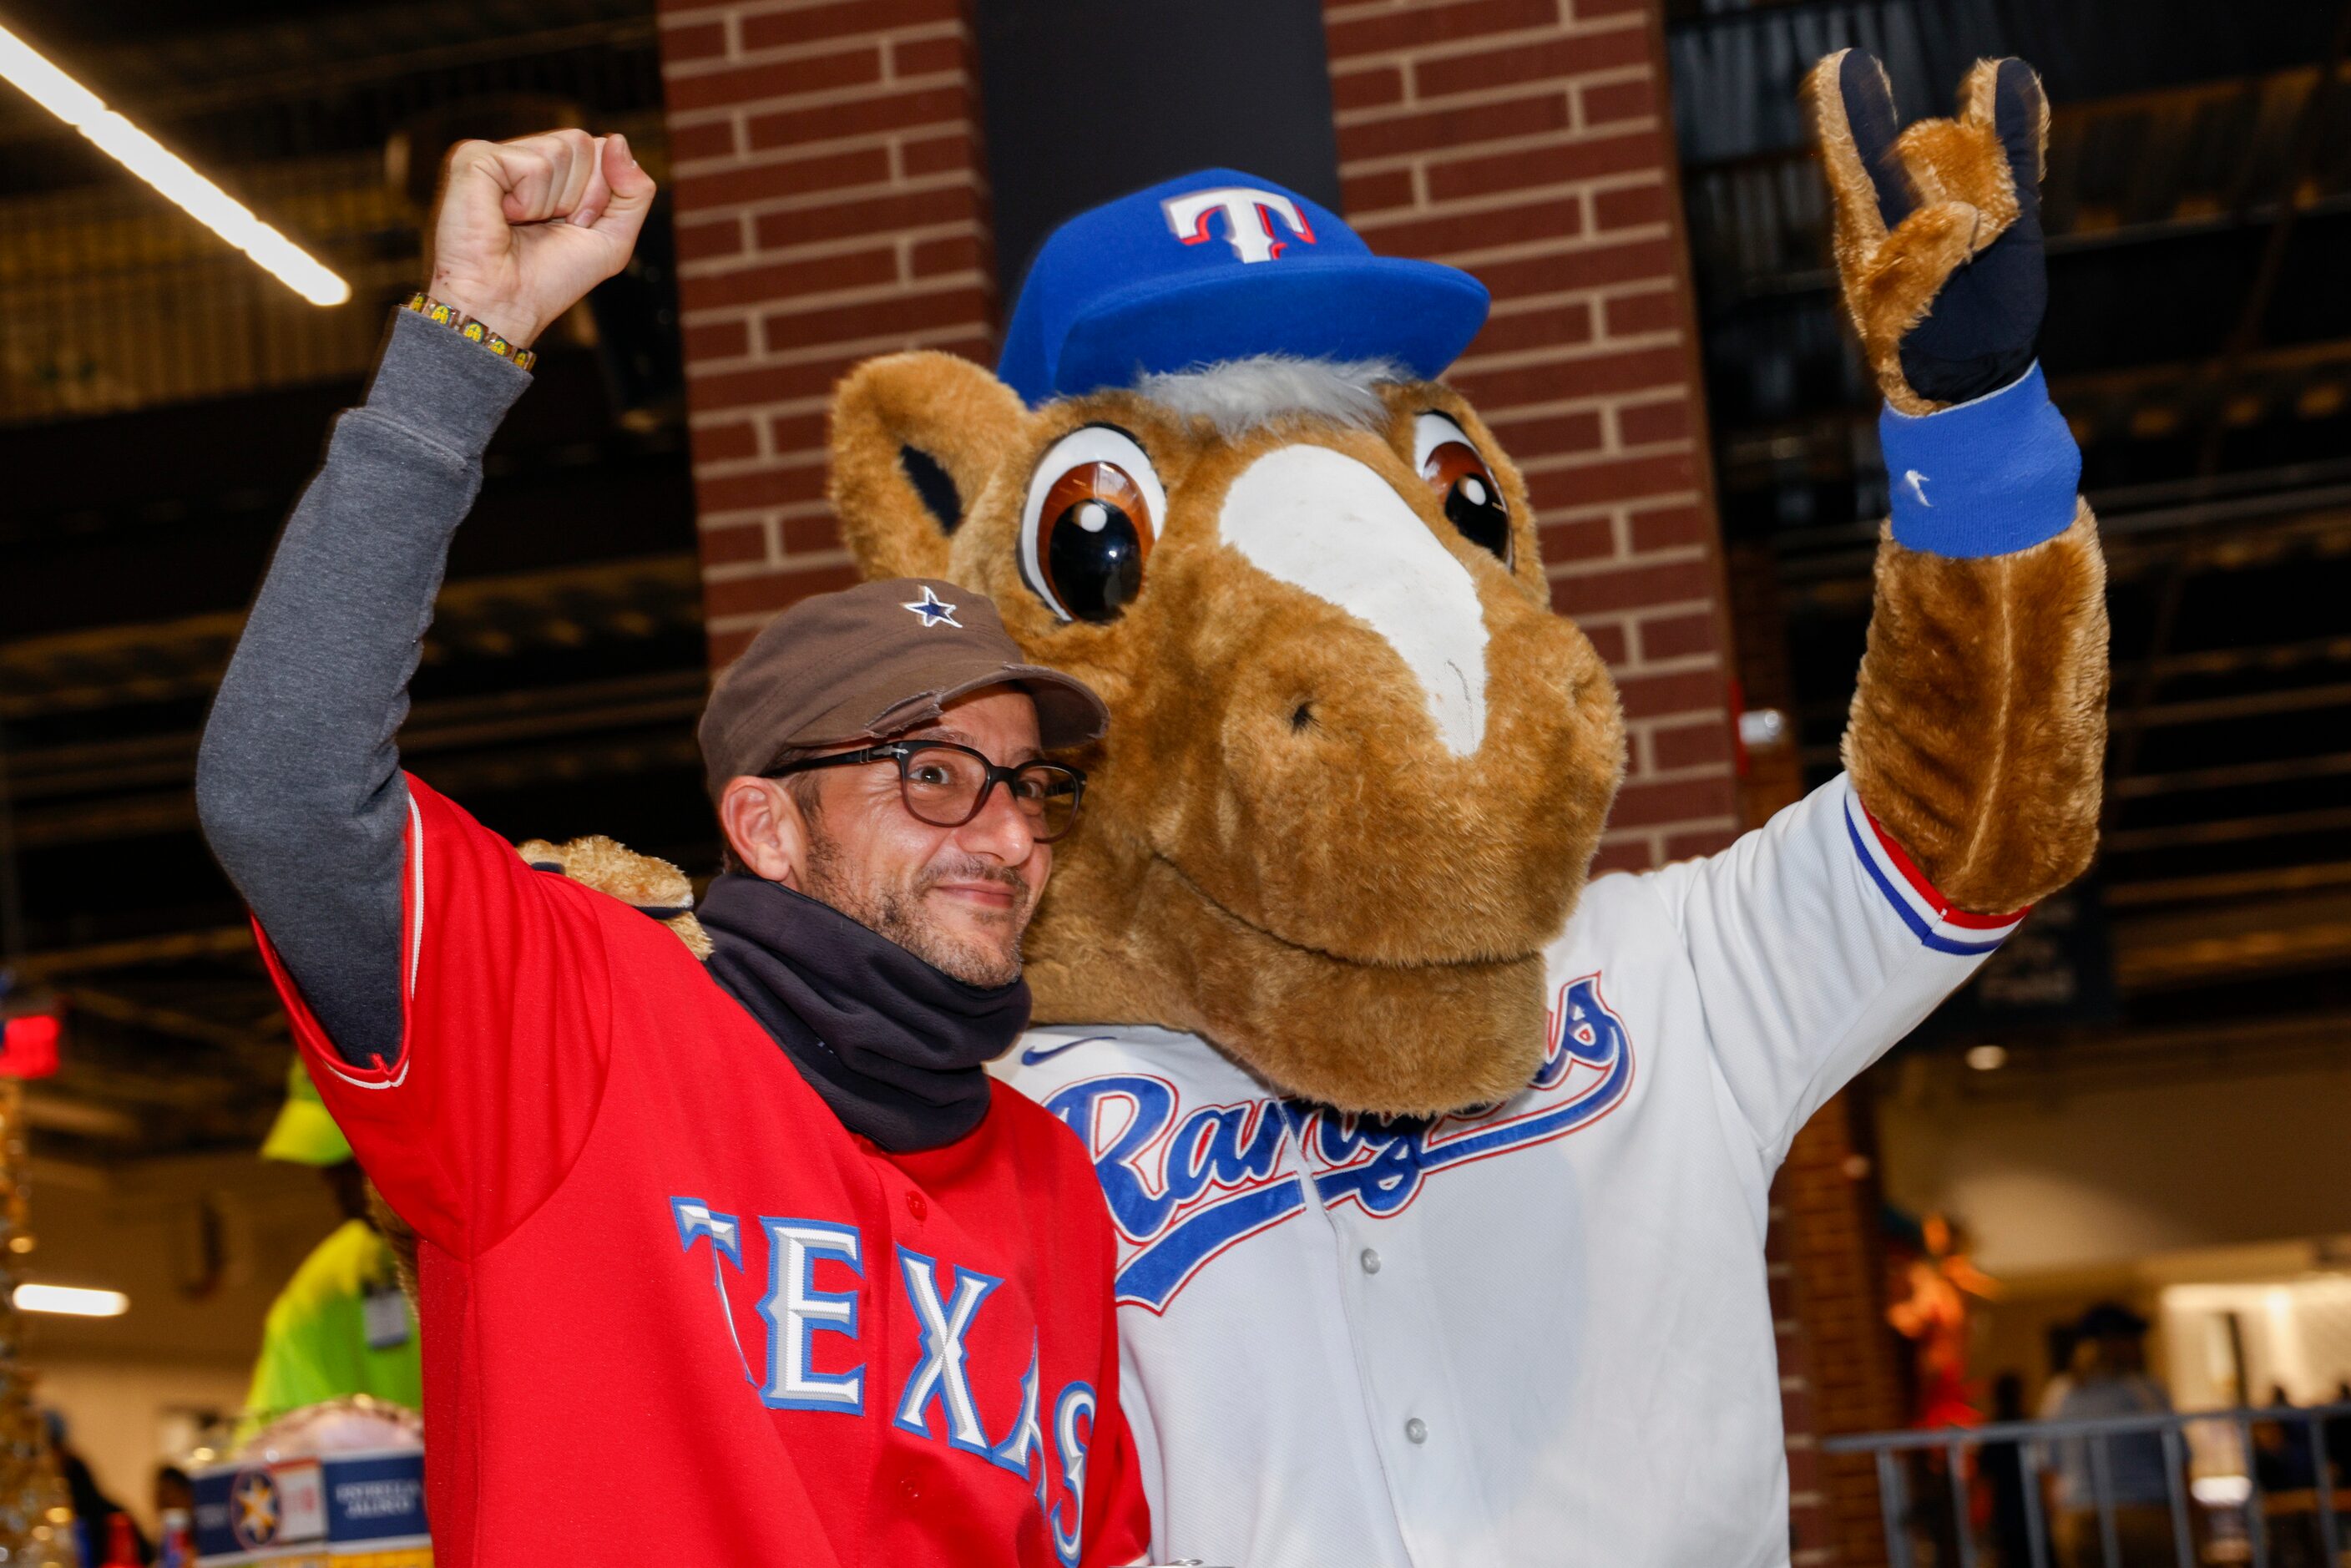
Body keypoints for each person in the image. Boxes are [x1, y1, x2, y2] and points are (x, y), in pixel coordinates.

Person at [195, 129, 1147, 1566]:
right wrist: (464, 349)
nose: (1008, 829)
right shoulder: (571, 1023)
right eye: (934, 773)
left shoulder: (1046, 1175)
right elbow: (281, 786)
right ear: (765, 822)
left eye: (1030, 783)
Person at [245, 1058, 422, 1420]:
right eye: (328, 1170)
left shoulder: (516, 1244)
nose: (336, 1188)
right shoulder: (318, 1295)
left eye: (351, 1161)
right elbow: (271, 1443)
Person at [2047, 1303, 2181, 1567]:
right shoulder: (2144, 1390)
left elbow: (2048, 1464)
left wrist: (2058, 1519)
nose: (2138, 1346)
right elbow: (2176, 1455)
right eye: (2131, 1338)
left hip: (2081, 1516)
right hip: (2142, 1514)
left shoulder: (2059, 1394)